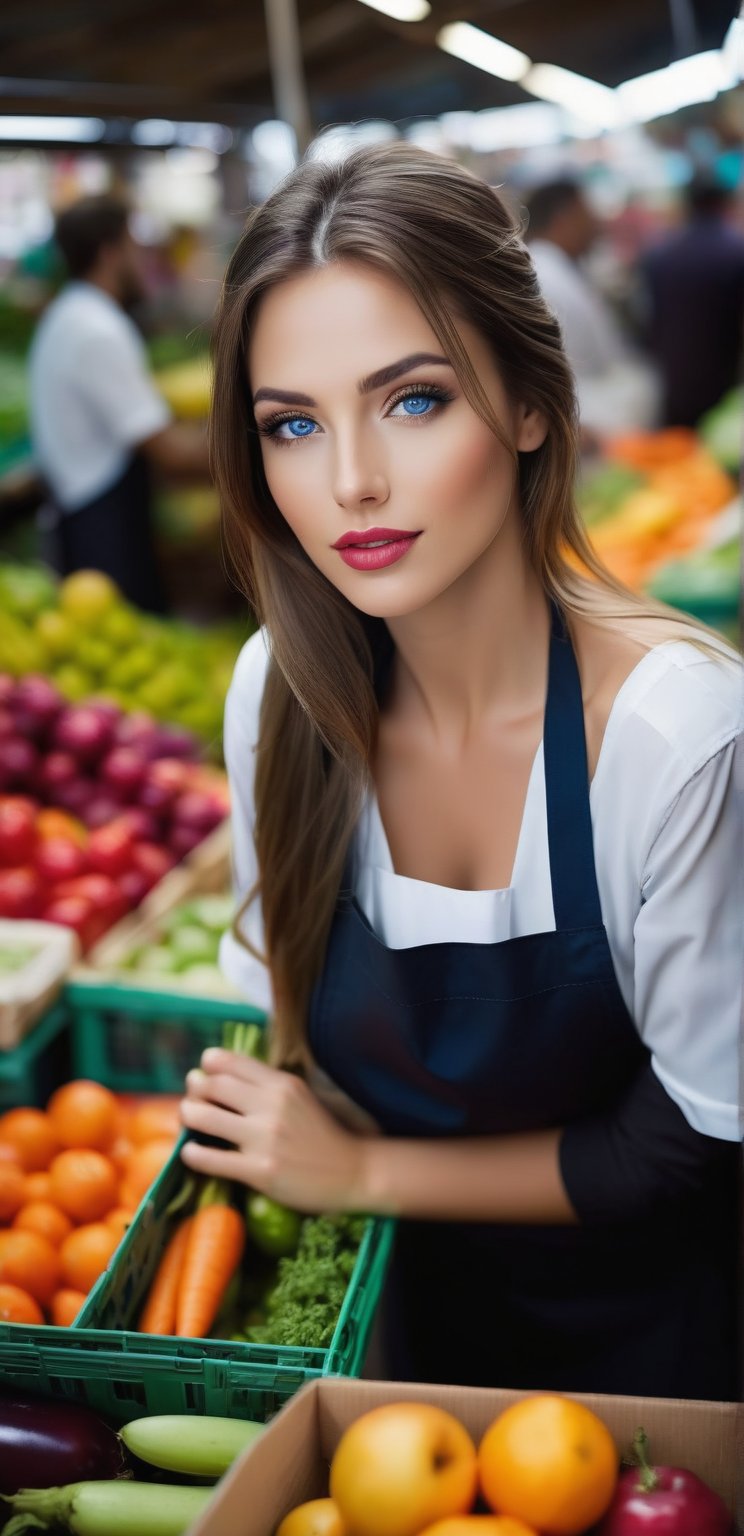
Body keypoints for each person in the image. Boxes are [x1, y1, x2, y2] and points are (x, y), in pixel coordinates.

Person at [179, 144, 742, 1401]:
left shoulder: (671, 731)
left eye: (414, 400)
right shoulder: (280, 693)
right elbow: (287, 1029)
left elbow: (693, 1136)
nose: (351, 482)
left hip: (659, 1369)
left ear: (532, 404)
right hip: (393, 1356)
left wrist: (363, 1173)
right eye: (292, 425)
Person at [29, 194, 210, 612]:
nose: (142, 259)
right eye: (134, 245)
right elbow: (168, 451)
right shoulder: (98, 330)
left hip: (84, 506)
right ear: (110, 253)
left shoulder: (69, 313)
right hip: (101, 519)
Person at [524, 177, 659, 438]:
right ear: (566, 216)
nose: (595, 223)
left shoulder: (561, 267)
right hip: (586, 428)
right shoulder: (544, 276)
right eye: (587, 213)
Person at [641, 173, 744, 427]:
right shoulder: (735, 251)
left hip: (674, 379)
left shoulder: (660, 254)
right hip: (725, 382)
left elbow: (653, 319)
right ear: (725, 203)